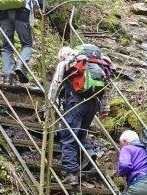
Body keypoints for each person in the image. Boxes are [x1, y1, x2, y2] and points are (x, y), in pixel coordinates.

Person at [48, 44, 111, 184]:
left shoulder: (66, 63)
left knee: (68, 136)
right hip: (93, 104)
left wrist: (50, 104)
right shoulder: (94, 65)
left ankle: (71, 173)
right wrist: (105, 108)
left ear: (62, 56)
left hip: (75, 103)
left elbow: (55, 85)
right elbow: (105, 87)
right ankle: (89, 154)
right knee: (81, 133)